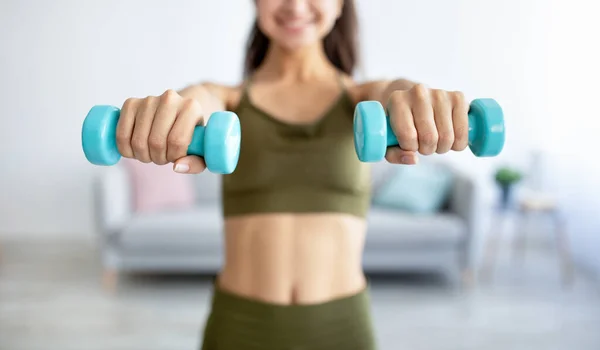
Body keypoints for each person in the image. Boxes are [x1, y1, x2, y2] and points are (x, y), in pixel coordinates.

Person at [114, 0, 470, 348]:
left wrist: (413, 99)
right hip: (240, 326)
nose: (296, 6)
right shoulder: (229, 99)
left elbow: (394, 91)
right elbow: (200, 101)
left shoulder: (362, 100)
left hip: (341, 328)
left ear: (341, 4)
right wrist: (179, 109)